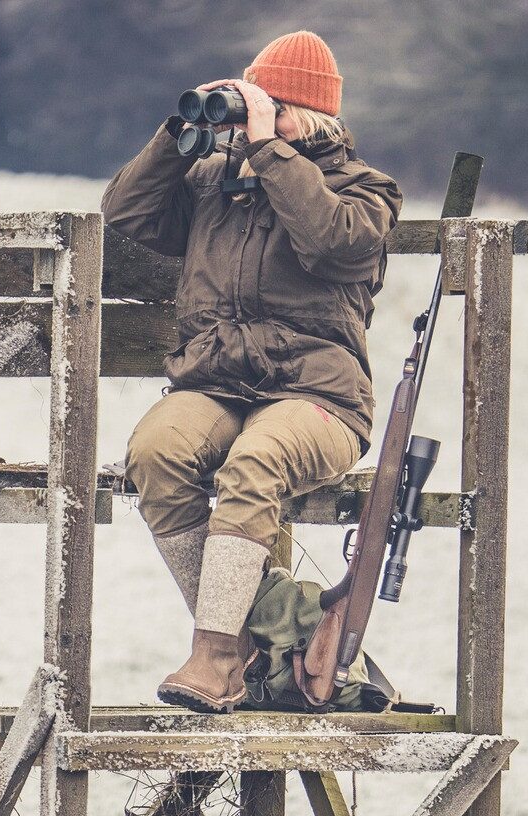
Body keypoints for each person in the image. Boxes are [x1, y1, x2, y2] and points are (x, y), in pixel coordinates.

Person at [101, 30, 402, 711]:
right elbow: (125, 213)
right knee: (156, 452)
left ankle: (213, 656)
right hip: (217, 381)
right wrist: (177, 133)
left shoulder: (366, 190)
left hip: (319, 396)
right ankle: (251, 642)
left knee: (255, 462)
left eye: (276, 109)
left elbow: (330, 239)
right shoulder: (215, 184)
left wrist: (270, 151)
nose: (252, 124)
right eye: (250, 109)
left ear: (316, 118)